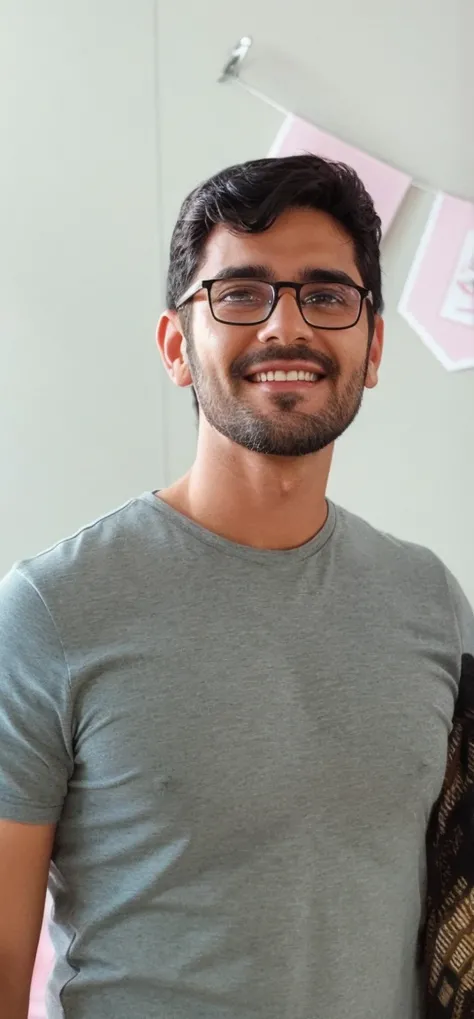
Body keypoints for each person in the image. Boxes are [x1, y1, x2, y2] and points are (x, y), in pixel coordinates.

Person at [0, 154, 473, 1019]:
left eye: (327, 295)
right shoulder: (50, 609)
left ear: (372, 349)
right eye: (241, 294)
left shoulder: (431, 603)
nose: (286, 329)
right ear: (178, 346)